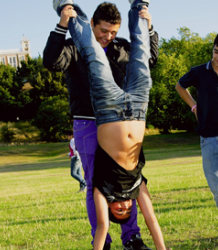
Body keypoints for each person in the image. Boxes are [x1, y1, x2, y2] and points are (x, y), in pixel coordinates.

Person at [52, 0, 169, 250]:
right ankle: (139, 4)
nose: (109, 36)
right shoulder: (138, 187)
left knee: (93, 54)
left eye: (113, 32)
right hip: (135, 108)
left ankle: (67, 6)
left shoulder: (113, 46)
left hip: (105, 111)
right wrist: (148, 27)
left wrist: (65, 21)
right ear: (93, 24)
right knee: (139, 49)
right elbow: (51, 61)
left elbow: (107, 221)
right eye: (104, 31)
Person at [176, 34, 218, 208]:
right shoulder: (200, 71)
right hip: (208, 137)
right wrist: (193, 106)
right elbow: (180, 86)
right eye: (216, 51)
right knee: (216, 187)